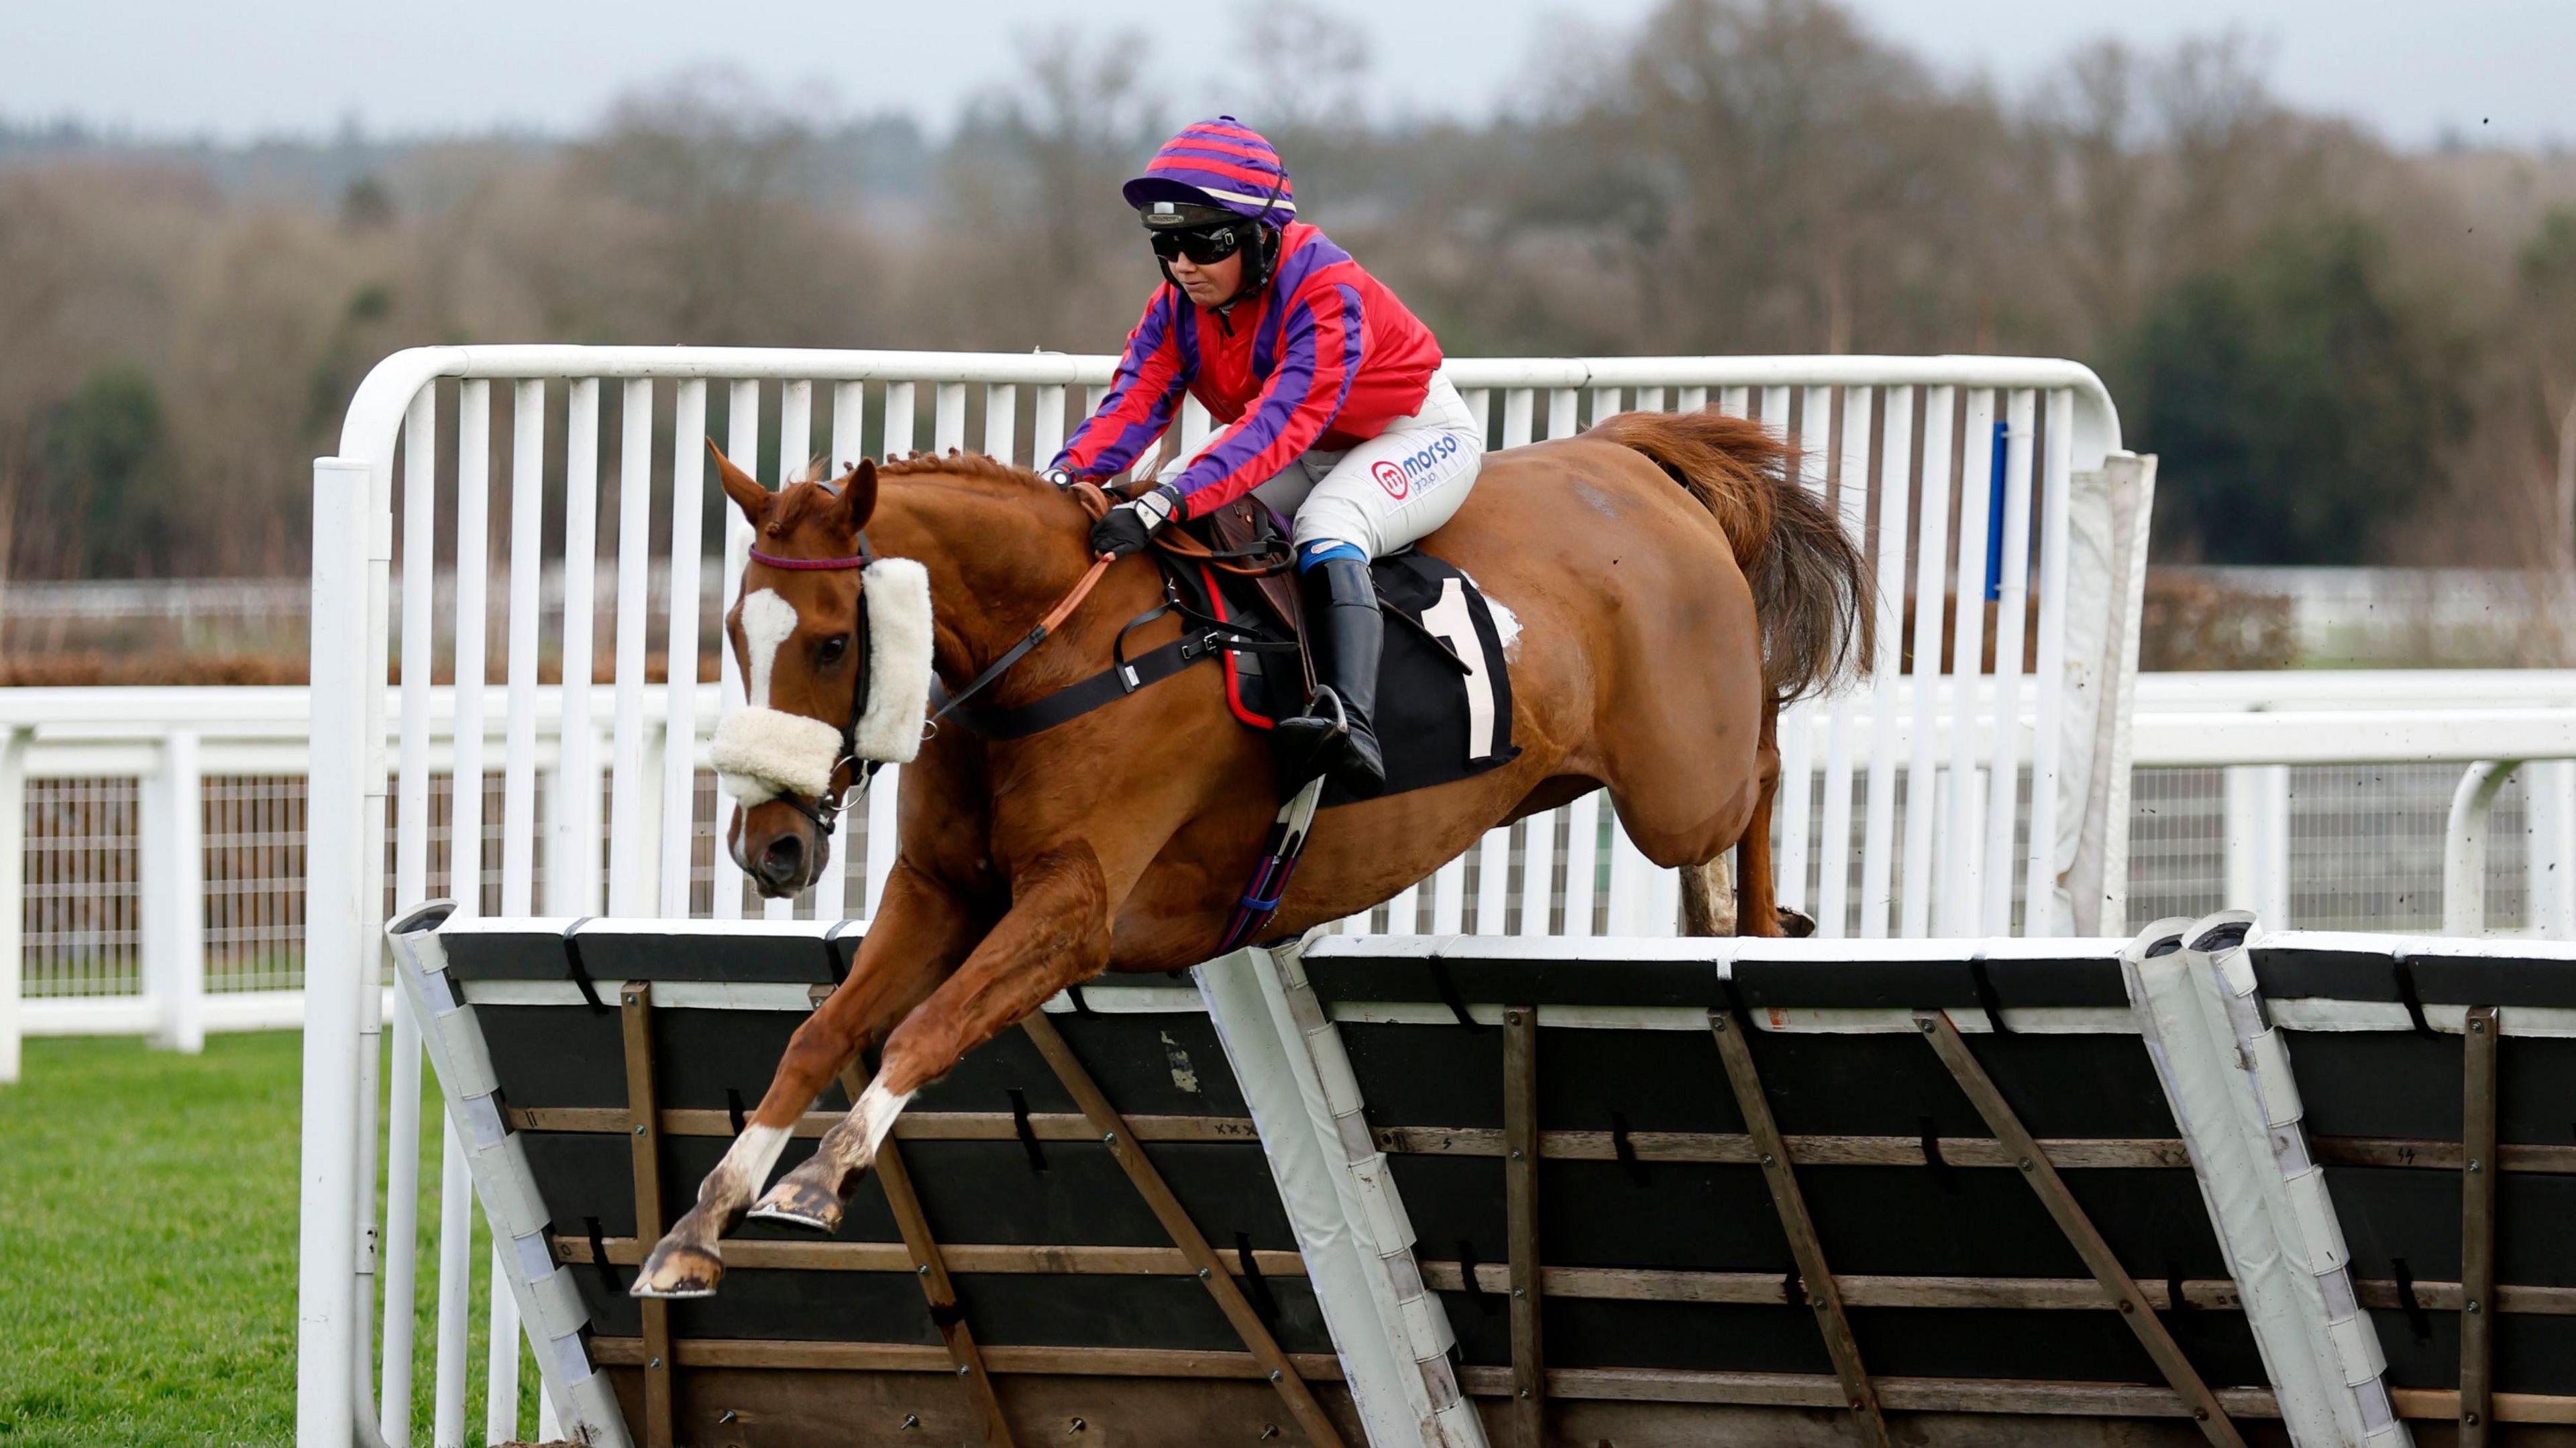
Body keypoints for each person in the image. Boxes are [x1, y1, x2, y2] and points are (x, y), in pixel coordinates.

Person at [1043, 117, 1483, 800]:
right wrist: (1062, 479)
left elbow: (1280, 422)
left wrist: (1165, 498)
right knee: (1182, 518)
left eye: (1206, 242)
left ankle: (1351, 719)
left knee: (1328, 525)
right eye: (1167, 244)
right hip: (1306, 440)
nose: (1183, 264)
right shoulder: (1176, 305)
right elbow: (1133, 405)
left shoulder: (1325, 287)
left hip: (1411, 433)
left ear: (1263, 237)